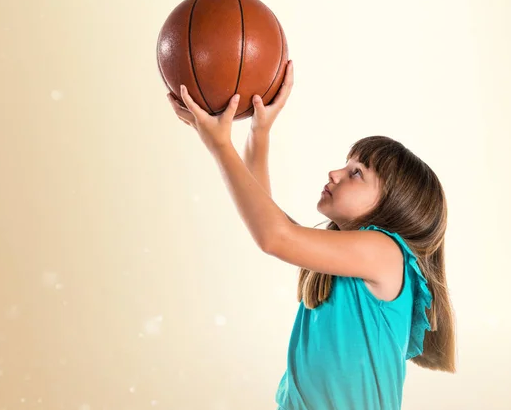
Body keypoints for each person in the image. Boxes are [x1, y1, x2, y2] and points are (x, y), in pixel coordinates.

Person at [167, 60, 457, 410]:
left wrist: (219, 145)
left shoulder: (384, 252)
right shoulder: (352, 257)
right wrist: (259, 132)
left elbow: (274, 235)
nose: (335, 173)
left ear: (393, 206)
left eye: (356, 173)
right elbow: (264, 212)